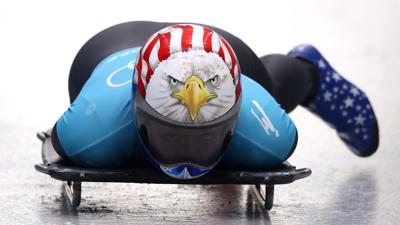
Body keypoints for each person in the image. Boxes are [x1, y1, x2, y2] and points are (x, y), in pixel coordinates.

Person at [50, 21, 379, 179]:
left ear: (234, 123)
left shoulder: (267, 134)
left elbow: (55, 146)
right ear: (137, 116)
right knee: (269, 85)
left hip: (215, 58)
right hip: (108, 52)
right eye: (172, 136)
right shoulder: (91, 127)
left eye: (206, 137)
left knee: (272, 85)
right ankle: (305, 75)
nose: (187, 158)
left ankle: (310, 74)